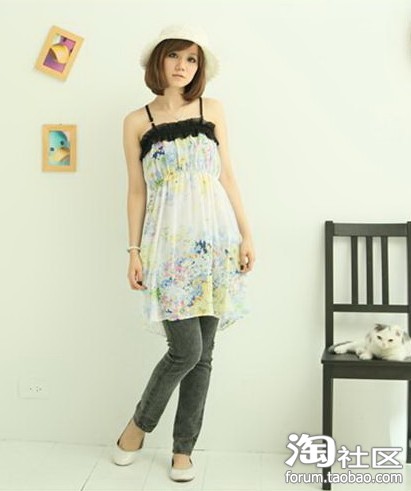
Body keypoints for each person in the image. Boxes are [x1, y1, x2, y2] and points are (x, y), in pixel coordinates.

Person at [112, 24, 255, 482]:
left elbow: (227, 176)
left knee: (204, 353)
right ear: (159, 61)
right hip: (167, 248)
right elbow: (137, 191)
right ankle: (137, 427)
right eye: (175, 56)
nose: (182, 66)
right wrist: (133, 251)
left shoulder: (212, 109)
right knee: (186, 350)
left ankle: (182, 450)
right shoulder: (137, 121)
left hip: (216, 242)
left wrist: (247, 235)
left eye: (192, 59)